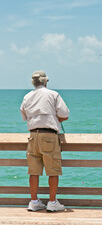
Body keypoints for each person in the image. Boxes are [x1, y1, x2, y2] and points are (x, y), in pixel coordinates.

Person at [20, 70, 69, 212]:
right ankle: (52, 202)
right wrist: (55, 119)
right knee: (53, 170)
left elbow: (24, 115)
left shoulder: (27, 96)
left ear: (34, 83)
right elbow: (64, 114)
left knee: (33, 171)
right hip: (49, 135)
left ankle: (34, 201)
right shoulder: (53, 94)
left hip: (32, 136)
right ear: (45, 82)